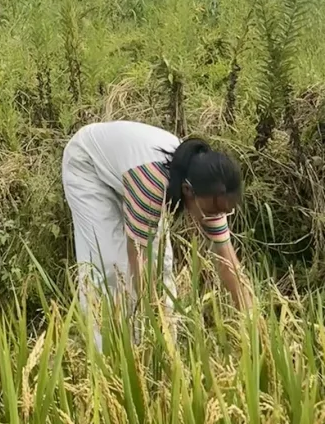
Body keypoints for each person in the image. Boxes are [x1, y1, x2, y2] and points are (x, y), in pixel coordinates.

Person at [61, 119, 251, 344]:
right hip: (88, 166)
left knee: (163, 263)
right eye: (213, 212)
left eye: (223, 212)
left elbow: (227, 260)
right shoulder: (152, 183)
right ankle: (109, 355)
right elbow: (138, 256)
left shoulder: (211, 194)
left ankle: (164, 349)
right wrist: (153, 324)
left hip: (132, 174)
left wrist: (253, 326)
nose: (216, 217)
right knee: (112, 266)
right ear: (188, 191)